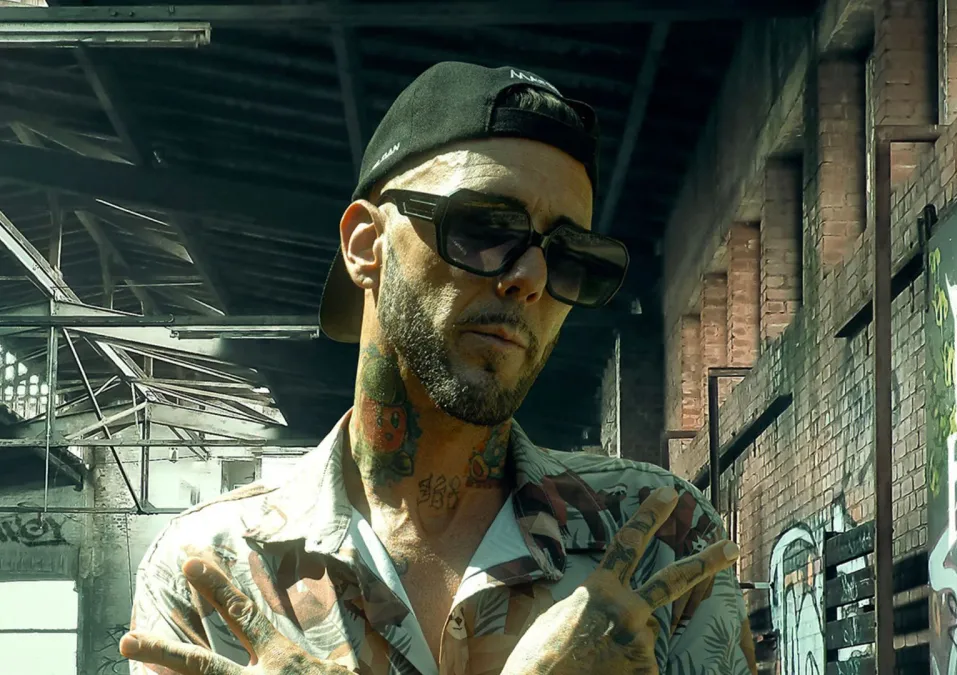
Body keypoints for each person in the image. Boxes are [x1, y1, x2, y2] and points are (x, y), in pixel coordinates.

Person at [120, 61, 756, 675]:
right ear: (366, 245)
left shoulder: (660, 538)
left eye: (571, 258)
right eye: (484, 227)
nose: (531, 278)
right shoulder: (210, 569)